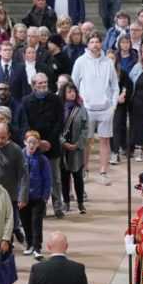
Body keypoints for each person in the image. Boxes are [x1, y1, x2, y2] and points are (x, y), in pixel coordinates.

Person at [71, 32, 120, 185]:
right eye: (92, 42)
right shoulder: (80, 61)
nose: (95, 45)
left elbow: (115, 86)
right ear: (88, 45)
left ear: (101, 44)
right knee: (86, 141)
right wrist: (78, 105)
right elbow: (73, 85)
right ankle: (85, 171)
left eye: (97, 42)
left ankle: (103, 172)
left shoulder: (108, 62)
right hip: (87, 109)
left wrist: (112, 106)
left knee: (105, 141)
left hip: (106, 109)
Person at [23, 73, 65, 219]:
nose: (42, 85)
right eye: (39, 83)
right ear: (33, 85)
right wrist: (38, 142)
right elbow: (25, 123)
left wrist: (49, 142)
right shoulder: (26, 101)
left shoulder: (56, 99)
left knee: (55, 178)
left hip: (52, 145)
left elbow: (60, 121)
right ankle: (41, 208)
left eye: (45, 83)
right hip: (34, 145)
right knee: (36, 178)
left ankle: (58, 206)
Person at [19, 130, 51, 259]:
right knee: (25, 222)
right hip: (23, 197)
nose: (31, 145)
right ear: (25, 142)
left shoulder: (42, 160)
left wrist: (45, 196)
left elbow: (47, 179)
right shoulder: (20, 157)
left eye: (34, 142)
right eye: (29, 142)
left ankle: (37, 247)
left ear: (38, 144)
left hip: (38, 197)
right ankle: (29, 244)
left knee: (36, 222)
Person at [59, 84, 88, 214]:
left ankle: (81, 203)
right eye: (69, 92)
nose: (72, 94)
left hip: (77, 149)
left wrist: (78, 143)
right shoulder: (58, 109)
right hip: (63, 149)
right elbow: (56, 128)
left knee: (78, 177)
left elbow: (85, 128)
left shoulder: (81, 109)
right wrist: (63, 142)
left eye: (74, 91)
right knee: (64, 177)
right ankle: (66, 202)